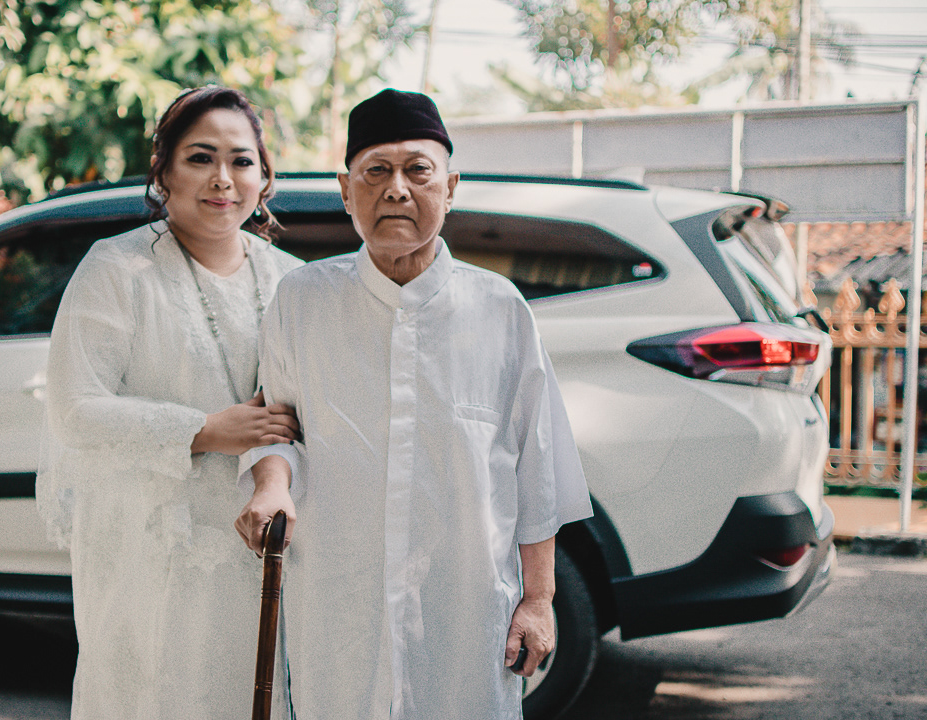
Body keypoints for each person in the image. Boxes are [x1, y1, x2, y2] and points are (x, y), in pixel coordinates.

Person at [234, 88, 592, 720]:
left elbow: (538, 469)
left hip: (464, 613)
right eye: (376, 171)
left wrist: (538, 600)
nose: (396, 189)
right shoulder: (302, 302)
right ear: (346, 192)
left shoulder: (500, 310)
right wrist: (270, 484)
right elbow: (276, 427)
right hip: (340, 608)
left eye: (417, 170)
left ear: (449, 188)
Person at [36, 86, 303, 719]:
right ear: (163, 172)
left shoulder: (291, 279)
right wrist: (204, 430)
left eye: (241, 160)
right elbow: (75, 408)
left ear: (264, 176)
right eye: (200, 158)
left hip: (258, 539)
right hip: (146, 544)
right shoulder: (117, 267)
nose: (222, 179)